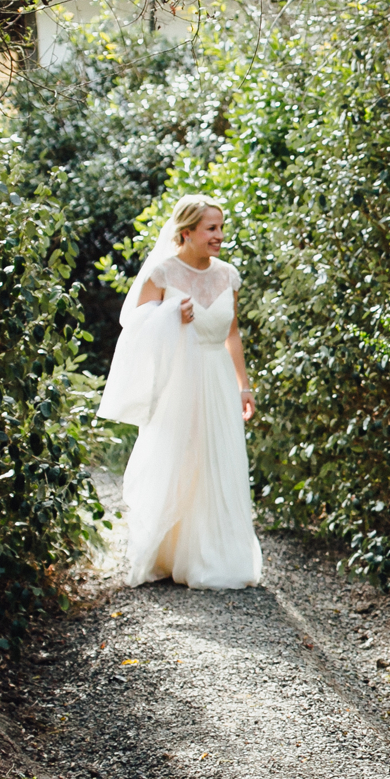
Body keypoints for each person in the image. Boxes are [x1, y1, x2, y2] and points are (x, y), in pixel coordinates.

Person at [97, 194, 264, 589]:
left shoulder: (228, 275)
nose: (219, 236)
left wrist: (244, 386)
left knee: (219, 459)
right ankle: (168, 552)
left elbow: (232, 333)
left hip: (219, 377)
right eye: (211, 229)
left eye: (221, 227)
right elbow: (134, 328)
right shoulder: (162, 273)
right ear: (186, 232)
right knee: (179, 458)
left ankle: (217, 555)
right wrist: (170, 315)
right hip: (179, 380)